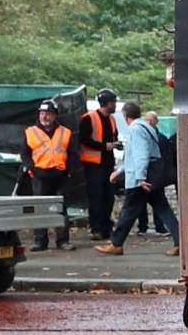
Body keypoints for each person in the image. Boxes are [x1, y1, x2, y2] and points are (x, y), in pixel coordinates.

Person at [96, 100, 178, 256]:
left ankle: (116, 244)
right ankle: (180, 243)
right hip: (151, 176)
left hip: (140, 179)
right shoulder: (148, 128)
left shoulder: (135, 129)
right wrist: (120, 171)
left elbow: (141, 155)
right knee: (163, 209)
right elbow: (136, 156)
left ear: (125, 115)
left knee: (128, 211)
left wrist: (140, 178)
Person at [17, 99, 73, 250]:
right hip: (40, 176)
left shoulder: (65, 132)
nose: (44, 117)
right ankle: (40, 241)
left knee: (61, 209)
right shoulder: (30, 132)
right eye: (42, 113)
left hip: (60, 176)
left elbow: (73, 154)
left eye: (47, 113)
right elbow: (25, 154)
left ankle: (63, 241)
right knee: (39, 209)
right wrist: (32, 169)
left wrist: (67, 170)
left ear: (54, 115)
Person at [75, 89, 120, 241]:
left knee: (108, 197)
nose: (115, 104)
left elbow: (114, 136)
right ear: (106, 103)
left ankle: (106, 227)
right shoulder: (89, 118)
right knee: (96, 197)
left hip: (108, 164)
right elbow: (83, 139)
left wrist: (115, 145)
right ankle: (96, 228)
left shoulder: (112, 119)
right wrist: (104, 146)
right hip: (93, 165)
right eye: (113, 101)